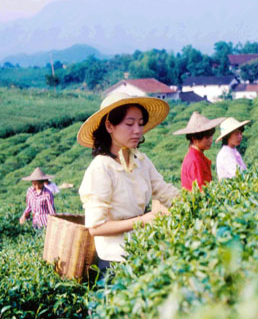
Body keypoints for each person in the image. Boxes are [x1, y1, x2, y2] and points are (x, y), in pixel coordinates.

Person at [77, 92, 179, 276]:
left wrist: (198, 203)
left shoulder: (141, 161)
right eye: (129, 124)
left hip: (141, 252)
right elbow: (95, 227)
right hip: (115, 264)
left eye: (140, 124)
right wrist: (144, 220)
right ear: (109, 126)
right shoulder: (101, 168)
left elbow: (165, 192)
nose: (137, 130)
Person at [173, 111, 224, 191]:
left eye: (211, 136)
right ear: (195, 139)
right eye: (207, 138)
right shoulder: (194, 160)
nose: (211, 140)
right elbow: (201, 191)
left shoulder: (197, 156)